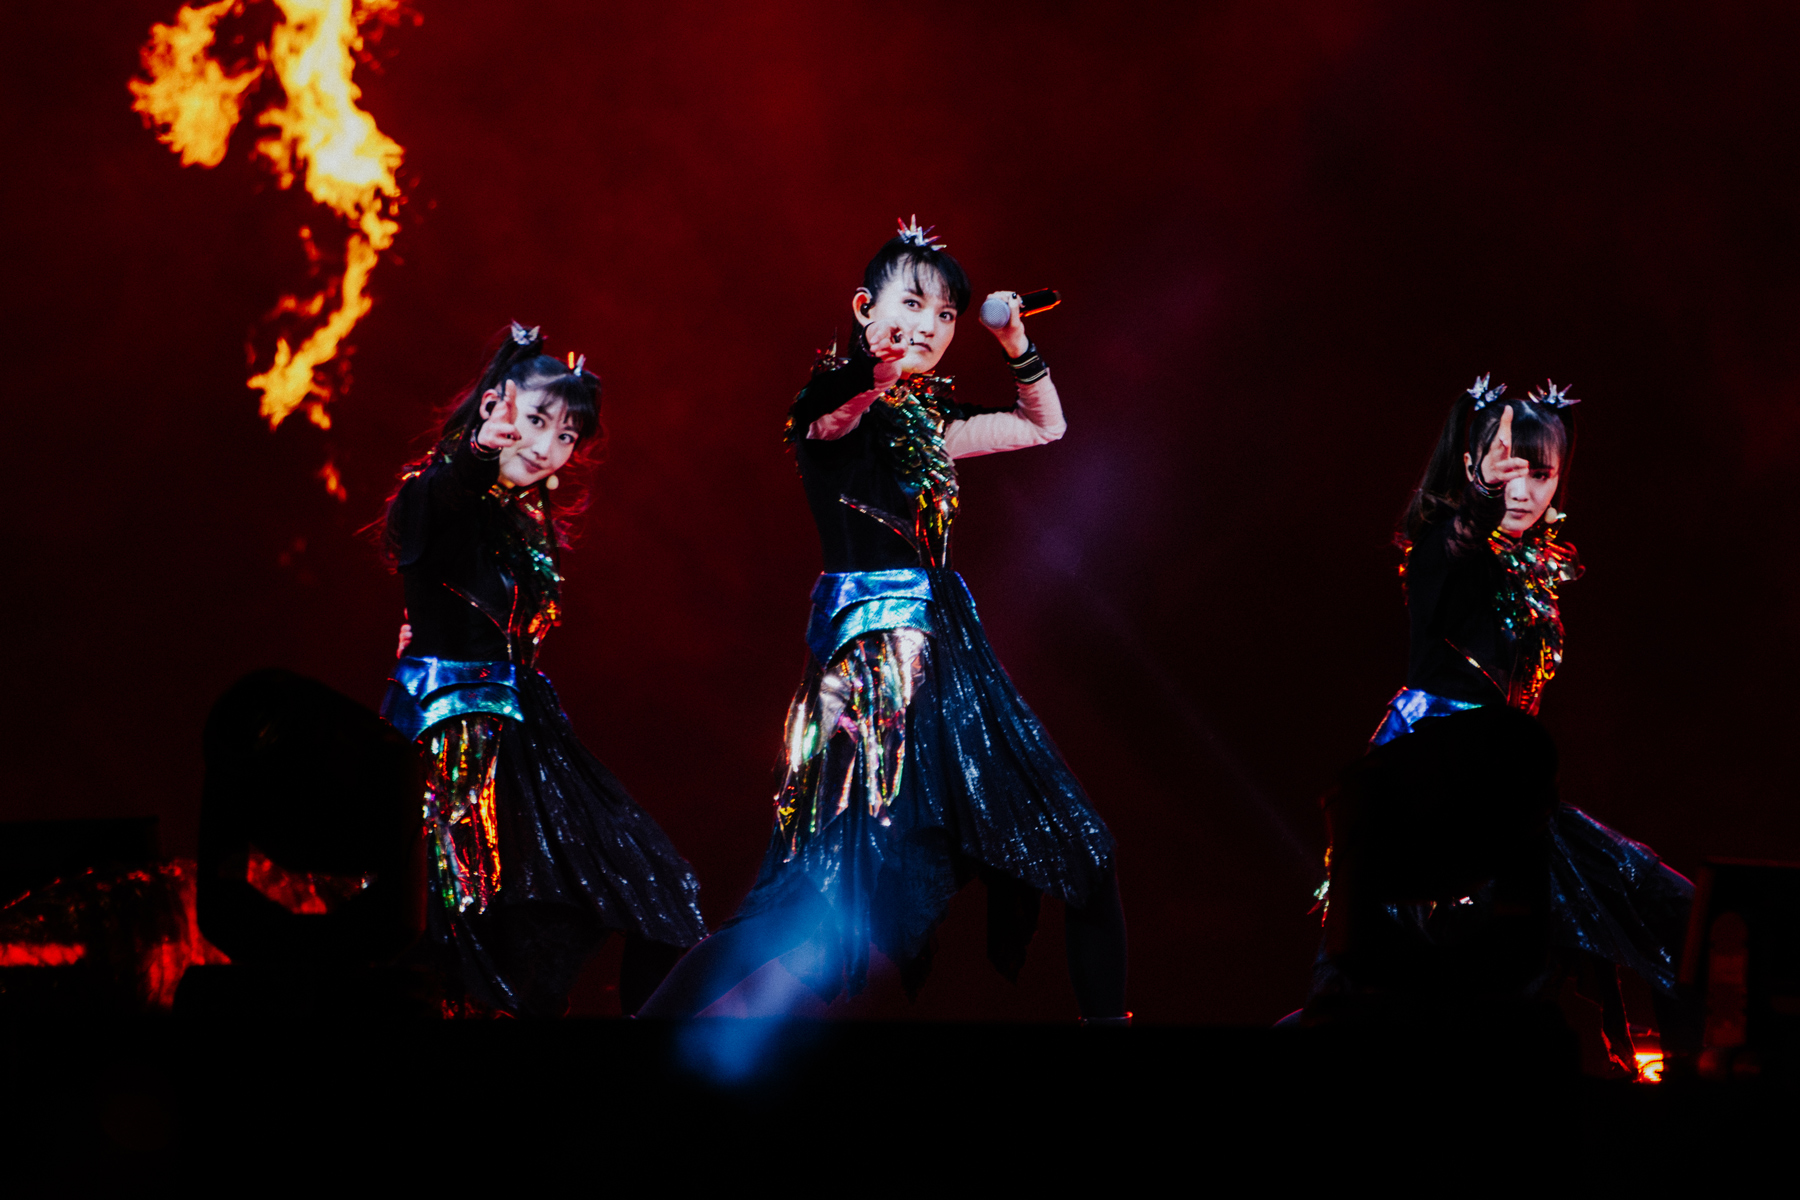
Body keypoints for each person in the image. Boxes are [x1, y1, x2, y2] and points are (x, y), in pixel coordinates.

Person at [639, 220, 1127, 1021]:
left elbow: (1047, 426)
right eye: (910, 304)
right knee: (805, 905)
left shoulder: (929, 426)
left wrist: (1012, 340)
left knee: (1084, 851)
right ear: (864, 308)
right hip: (868, 677)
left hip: (949, 669)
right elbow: (837, 410)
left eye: (944, 316)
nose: (930, 327)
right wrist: (880, 366)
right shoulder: (832, 409)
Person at [1310, 376, 1692, 1071]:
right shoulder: (1443, 545)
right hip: (1432, 769)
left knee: (1663, 907)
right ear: (1468, 464)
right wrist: (1483, 494)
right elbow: (1458, 543)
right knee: (1424, 957)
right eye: (1503, 469)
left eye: (1538, 474)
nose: (1522, 490)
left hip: (1506, 780)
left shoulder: (1532, 565)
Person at [379, 322, 706, 1016]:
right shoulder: (437, 491)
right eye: (533, 420)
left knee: (654, 883)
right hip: (457, 742)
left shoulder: (522, 525)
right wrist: (476, 450)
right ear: (496, 407)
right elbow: (445, 494)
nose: (545, 445)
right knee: (468, 934)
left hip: (524, 735)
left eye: (564, 436)